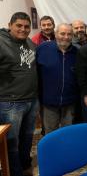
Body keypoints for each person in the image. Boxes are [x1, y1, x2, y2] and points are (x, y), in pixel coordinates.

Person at [0, 12, 38, 176]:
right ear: (10, 25)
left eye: (26, 26)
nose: (23, 29)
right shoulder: (1, 42)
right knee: (12, 143)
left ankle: (24, 166)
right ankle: (15, 172)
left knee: (27, 137)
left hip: (31, 99)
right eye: (19, 26)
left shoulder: (28, 41)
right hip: (11, 102)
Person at [36, 23, 80, 134]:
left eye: (69, 34)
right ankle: (52, 151)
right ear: (56, 34)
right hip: (48, 102)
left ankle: (66, 151)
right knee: (50, 133)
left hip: (69, 102)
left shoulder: (77, 52)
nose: (66, 37)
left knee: (68, 133)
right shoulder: (43, 49)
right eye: (62, 33)